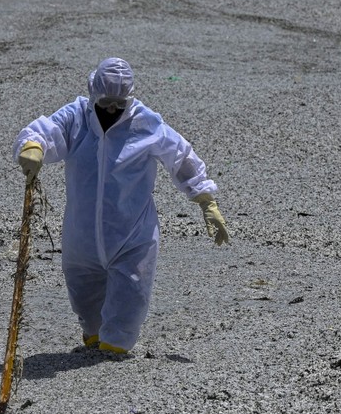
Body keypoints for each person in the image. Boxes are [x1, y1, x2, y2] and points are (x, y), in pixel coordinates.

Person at [13, 57, 228, 354]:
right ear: (93, 94)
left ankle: (116, 345)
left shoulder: (146, 124)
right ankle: (94, 334)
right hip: (81, 235)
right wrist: (33, 147)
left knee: (130, 296)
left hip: (132, 234)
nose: (112, 110)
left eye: (119, 103)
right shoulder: (77, 117)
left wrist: (205, 200)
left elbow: (180, 157)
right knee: (86, 302)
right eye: (105, 102)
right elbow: (47, 131)